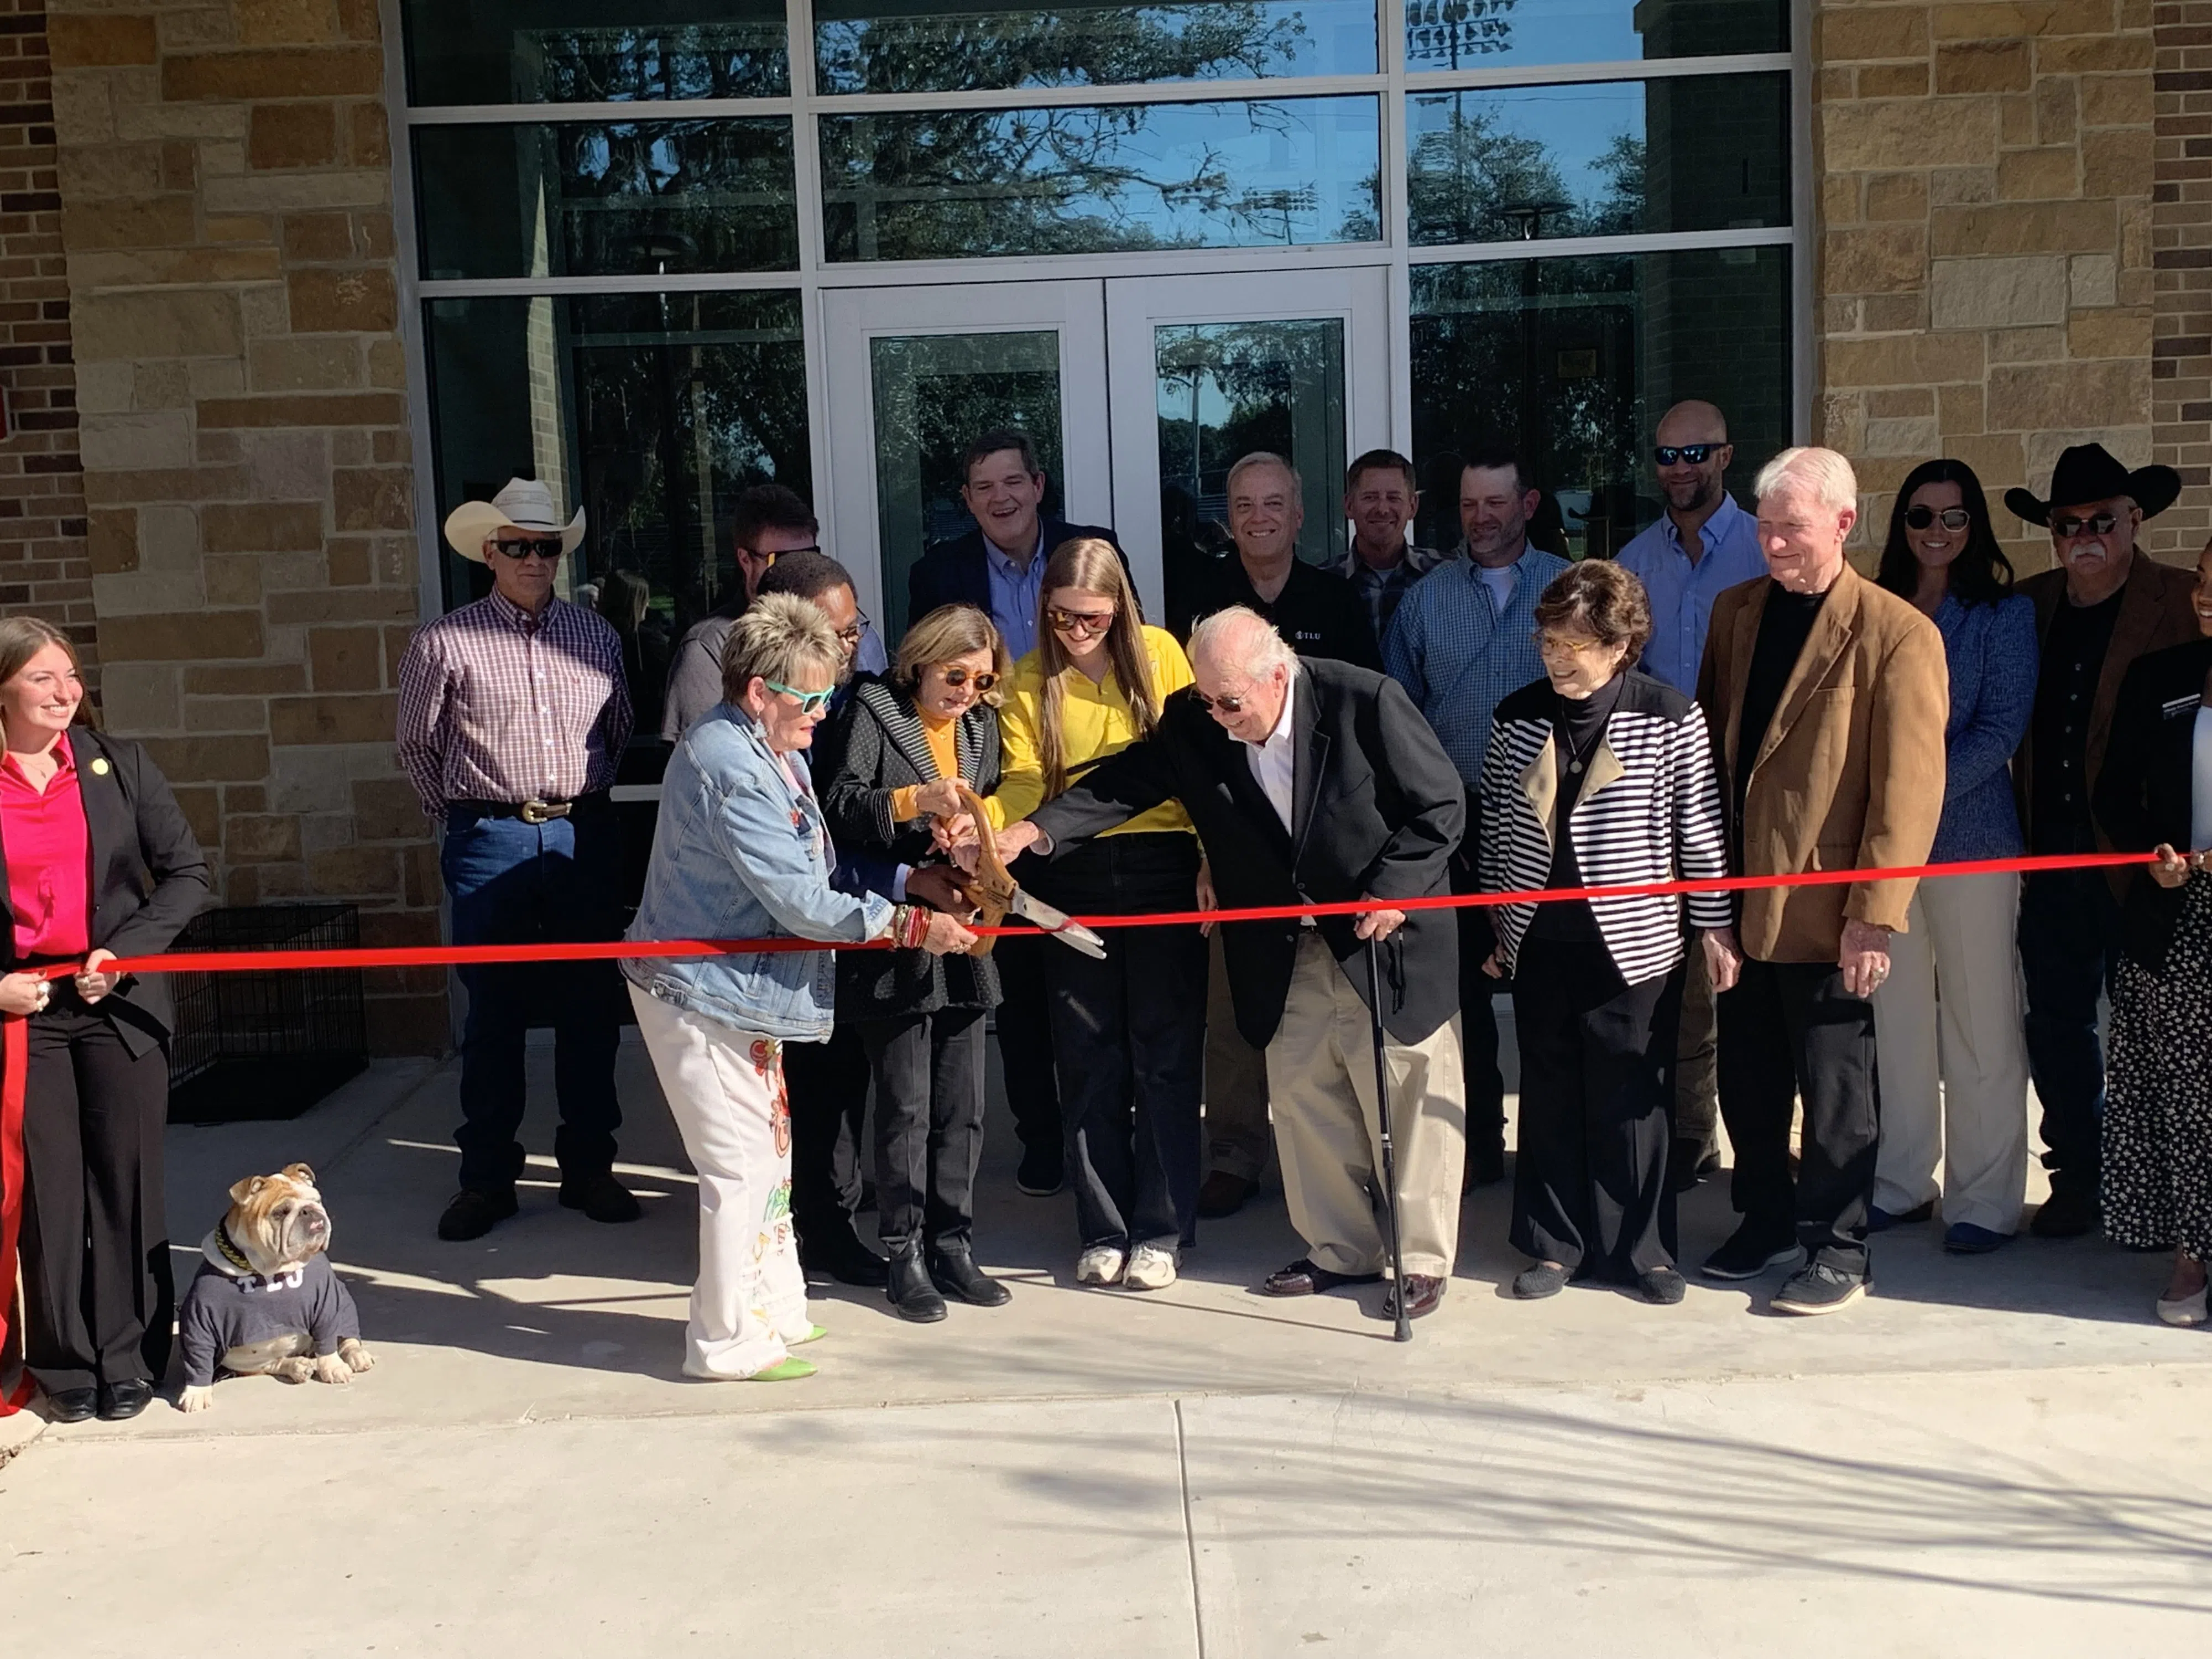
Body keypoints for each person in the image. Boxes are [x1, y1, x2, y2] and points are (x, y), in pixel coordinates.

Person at [997, 608, 1469, 1320]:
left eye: (1230, 702)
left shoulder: (1362, 701)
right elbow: (1129, 780)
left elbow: (1439, 806)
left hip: (1380, 934)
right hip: (1280, 941)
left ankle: (1422, 1259)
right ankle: (1340, 1251)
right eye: (1207, 699)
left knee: (1405, 1096)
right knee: (1306, 1095)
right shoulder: (1199, 719)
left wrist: (1394, 893)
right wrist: (1038, 831)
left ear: (1276, 676)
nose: (1215, 716)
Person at [623, 596, 975, 1382]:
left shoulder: (771, 746)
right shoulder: (729, 763)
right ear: (758, 691)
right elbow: (803, 901)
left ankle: (773, 1307)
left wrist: (906, 878)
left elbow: (816, 868)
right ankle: (722, 1341)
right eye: (811, 698)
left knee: (769, 1157)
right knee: (736, 1168)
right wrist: (913, 926)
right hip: (699, 993)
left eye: (828, 694)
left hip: (745, 990)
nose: (823, 713)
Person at [1696, 447, 1948, 1314]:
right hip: (1742, 901)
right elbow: (1711, 767)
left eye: (1790, 528)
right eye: (1765, 526)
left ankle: (1840, 1246)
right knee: (1751, 1081)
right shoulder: (1734, 615)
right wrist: (1710, 906)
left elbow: (1908, 790)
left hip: (1832, 911)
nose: (1772, 544)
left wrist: (1874, 915)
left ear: (1843, 524)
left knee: (1836, 1090)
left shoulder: (1899, 634)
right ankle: (1764, 1218)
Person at [1478, 564, 1729, 1306]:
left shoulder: (1671, 715)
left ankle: (1642, 1250)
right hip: (1541, 935)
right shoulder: (1515, 715)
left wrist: (1713, 925)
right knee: (1551, 1091)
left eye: (1575, 644)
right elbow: (1497, 827)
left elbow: (1700, 830)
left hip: (1636, 940)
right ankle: (1556, 1247)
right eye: (1549, 640)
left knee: (1632, 1097)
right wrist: (1497, 921)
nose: (1556, 657)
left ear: (1621, 646)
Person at [396, 477, 639, 1243]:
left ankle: (590, 1167)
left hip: (581, 832)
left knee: (590, 1008)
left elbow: (620, 728)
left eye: (548, 546)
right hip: (490, 832)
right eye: (519, 547)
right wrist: (465, 819)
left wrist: (579, 804)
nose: (536, 559)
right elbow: (417, 745)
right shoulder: (446, 642)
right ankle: (487, 1179)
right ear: (489, 553)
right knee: (494, 1012)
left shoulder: (596, 636)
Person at [982, 538, 1206, 1291]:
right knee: (1086, 1058)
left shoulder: (1162, 653)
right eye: (1062, 616)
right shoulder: (1026, 676)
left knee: (1166, 1057)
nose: (1077, 630)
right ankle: (1104, 1227)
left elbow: (1199, 765)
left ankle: (1163, 1228)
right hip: (1068, 875)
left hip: (1162, 868)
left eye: (1092, 617)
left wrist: (1211, 856)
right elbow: (1020, 782)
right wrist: (992, 826)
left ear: (1121, 607)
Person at [0, 618, 208, 1423]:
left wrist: (124, 951)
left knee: (125, 1182)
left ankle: (131, 1354)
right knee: (51, 1196)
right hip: (29, 1015)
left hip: (116, 1005)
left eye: (72, 676)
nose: (65, 692)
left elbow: (188, 874)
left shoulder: (118, 766)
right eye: (42, 678)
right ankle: (63, 1364)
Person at [906, 430, 1117, 1197]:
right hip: (1001, 791)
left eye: (1011, 483)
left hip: (1094, 796)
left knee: (1093, 983)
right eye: (982, 487)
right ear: (968, 500)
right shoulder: (938, 572)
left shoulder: (1092, 553)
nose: (999, 498)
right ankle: (1042, 1136)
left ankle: (1105, 1131)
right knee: (1021, 984)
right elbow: (927, 693)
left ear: (1038, 484)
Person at [751, 551, 967, 1288]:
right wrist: (910, 881)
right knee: (819, 1093)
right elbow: (816, 851)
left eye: (857, 629)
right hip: (801, 930)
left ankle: (856, 1216)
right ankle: (823, 1229)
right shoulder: (770, 718)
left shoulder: (868, 701)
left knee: (866, 1089)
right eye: (837, 634)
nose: (851, 647)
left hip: (866, 923)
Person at [2004, 443, 2200, 1239]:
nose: (2086, 534)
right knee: (2055, 1023)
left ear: (2135, 521)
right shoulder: (2030, 604)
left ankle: (2152, 1190)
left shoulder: (2184, 599)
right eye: (2068, 523)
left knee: (2153, 1030)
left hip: (2148, 859)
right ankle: (2078, 1176)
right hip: (2050, 853)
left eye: (2103, 520)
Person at [1183, 449, 1382, 1217]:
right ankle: (1233, 1153)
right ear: (1228, 519)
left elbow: (1364, 728)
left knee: (1338, 1011)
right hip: (1241, 836)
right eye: (1243, 506)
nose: (1259, 518)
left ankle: (1351, 1155)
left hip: (1326, 840)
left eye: (1274, 504)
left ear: (1300, 516)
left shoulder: (1337, 600)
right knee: (1235, 1011)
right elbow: (1195, 741)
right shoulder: (1202, 604)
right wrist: (1207, 849)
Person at [818, 604, 1015, 1322]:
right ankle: (903, 1250)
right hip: (896, 929)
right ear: (922, 661)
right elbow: (837, 808)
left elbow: (988, 801)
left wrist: (973, 827)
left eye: (982, 680)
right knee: (905, 1105)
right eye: (955, 675)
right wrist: (913, 802)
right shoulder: (874, 706)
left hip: (963, 928)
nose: (967, 691)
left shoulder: (980, 726)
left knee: (963, 1105)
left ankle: (953, 1245)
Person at [1384, 444, 1571, 1187]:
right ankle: (1478, 1148)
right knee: (1461, 992)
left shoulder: (1568, 587)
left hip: (1548, 817)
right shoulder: (1426, 599)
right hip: (1454, 817)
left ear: (1526, 504)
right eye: (1468, 505)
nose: (1481, 518)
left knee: (1546, 988)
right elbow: (1397, 710)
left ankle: (1553, 1152)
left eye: (1496, 503)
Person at [1867, 460, 2038, 1253]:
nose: (1936, 532)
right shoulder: (1875, 610)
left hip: (1972, 840)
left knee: (1982, 1026)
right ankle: (1903, 1184)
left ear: (1975, 527)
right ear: (1901, 527)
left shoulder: (2004, 614)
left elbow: (2002, 729)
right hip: (1883, 853)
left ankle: (1984, 1201)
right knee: (1896, 1024)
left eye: (1953, 517)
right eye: (1920, 517)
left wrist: (1916, 799)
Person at [1613, 400, 1768, 1188]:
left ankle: (1770, 1149)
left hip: (1751, 798)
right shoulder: (1634, 560)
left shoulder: (1763, 550)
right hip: (1659, 804)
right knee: (1678, 983)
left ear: (1725, 456)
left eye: (1695, 454)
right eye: (1668, 456)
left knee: (1756, 980)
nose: (1680, 469)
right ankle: (1690, 1136)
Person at [2093, 540, 2212, 1326]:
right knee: (2186, 1093)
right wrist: (2154, 858)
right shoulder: (2162, 677)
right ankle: (2191, 1256)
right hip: (2179, 917)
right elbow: (2114, 793)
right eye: (2204, 584)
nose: (2207, 599)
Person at [661, 484, 886, 741]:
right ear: (745, 559)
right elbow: (704, 760)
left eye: (808, 555)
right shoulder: (709, 647)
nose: (798, 569)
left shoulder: (859, 637)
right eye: (781, 559)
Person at [1334, 448, 1448, 641]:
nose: (1383, 509)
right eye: (1370, 498)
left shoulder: (1446, 576)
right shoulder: (1323, 584)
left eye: (1394, 498)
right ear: (1349, 506)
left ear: (1413, 506)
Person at [598, 567, 671, 740]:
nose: (647, 604)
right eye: (644, 598)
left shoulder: (595, 636)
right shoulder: (648, 640)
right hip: (646, 730)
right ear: (635, 602)